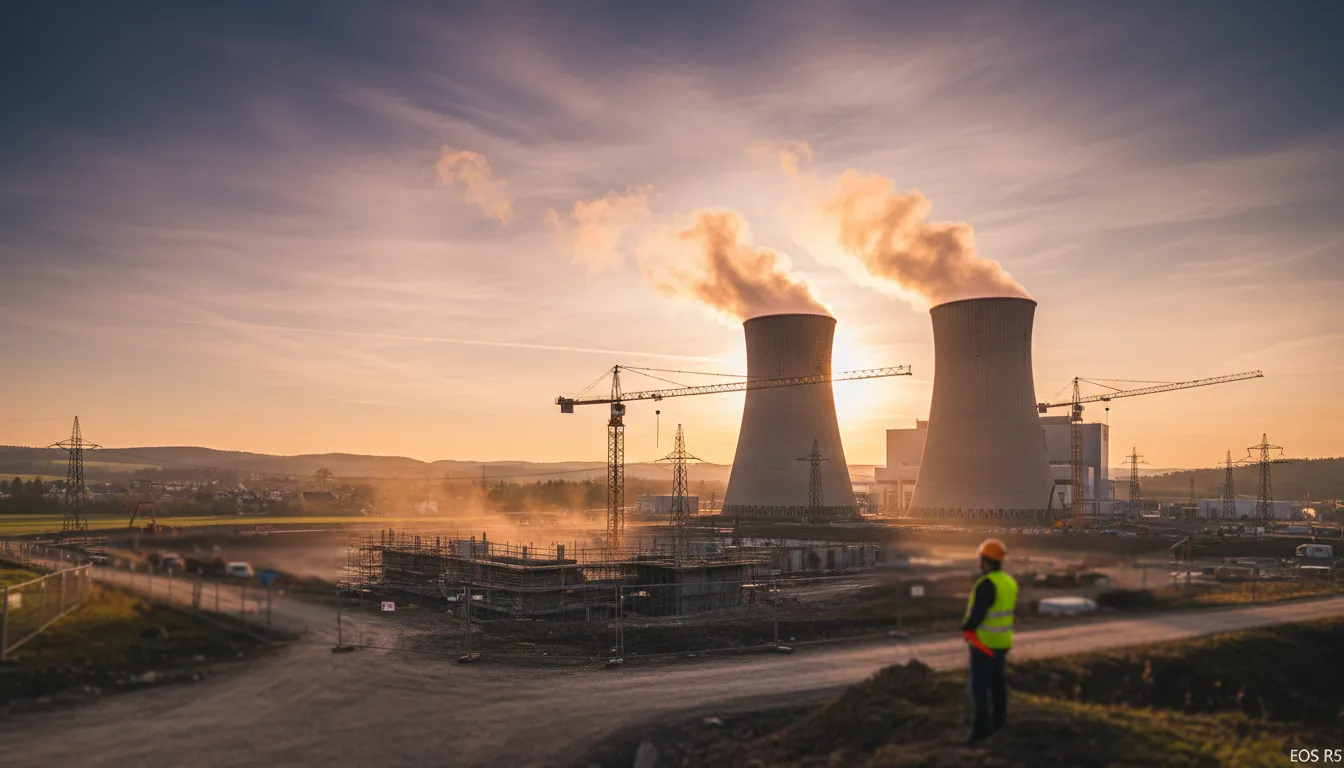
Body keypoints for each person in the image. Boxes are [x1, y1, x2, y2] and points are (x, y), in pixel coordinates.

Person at [962, 538, 1018, 744]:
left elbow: (978, 614)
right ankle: (999, 722)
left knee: (979, 688)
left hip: (983, 643)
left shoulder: (986, 584)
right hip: (1002, 642)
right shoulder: (1009, 582)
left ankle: (980, 731)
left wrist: (966, 628)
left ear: (985, 561)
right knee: (997, 684)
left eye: (981, 560)